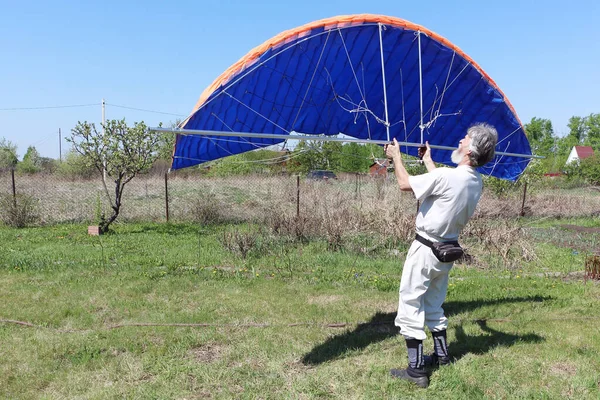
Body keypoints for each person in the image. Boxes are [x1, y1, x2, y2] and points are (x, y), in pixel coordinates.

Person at [384, 123, 498, 388]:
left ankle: (416, 371)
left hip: (425, 248)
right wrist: (428, 161)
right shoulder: (474, 181)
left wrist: (396, 157)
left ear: (471, 150)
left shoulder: (449, 176)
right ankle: (443, 357)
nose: (460, 140)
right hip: (446, 251)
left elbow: (404, 184)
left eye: (465, 138)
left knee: (410, 303)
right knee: (434, 304)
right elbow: (444, 186)